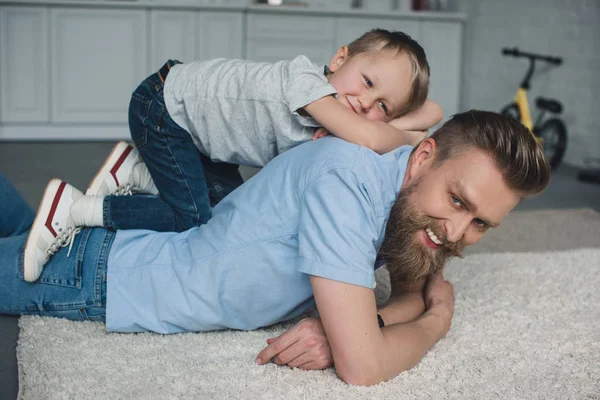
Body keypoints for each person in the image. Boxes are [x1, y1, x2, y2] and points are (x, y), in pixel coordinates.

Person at [0, 110, 550, 385]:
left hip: (119, 251)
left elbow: (405, 290)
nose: (457, 234)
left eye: (481, 224)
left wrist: (362, 323)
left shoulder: (404, 198)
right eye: (458, 201)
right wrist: (436, 321)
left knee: (19, 232)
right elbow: (364, 366)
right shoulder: (348, 186)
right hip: (98, 275)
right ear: (424, 155)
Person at [23, 29, 442, 282]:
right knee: (191, 218)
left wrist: (397, 123)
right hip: (164, 110)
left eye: (384, 104)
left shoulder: (340, 114)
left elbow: (433, 113)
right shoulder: (306, 81)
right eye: (367, 81)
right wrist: (403, 134)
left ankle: (137, 170)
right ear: (339, 59)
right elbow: (373, 135)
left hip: (202, 141)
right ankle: (77, 208)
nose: (366, 103)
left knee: (228, 216)